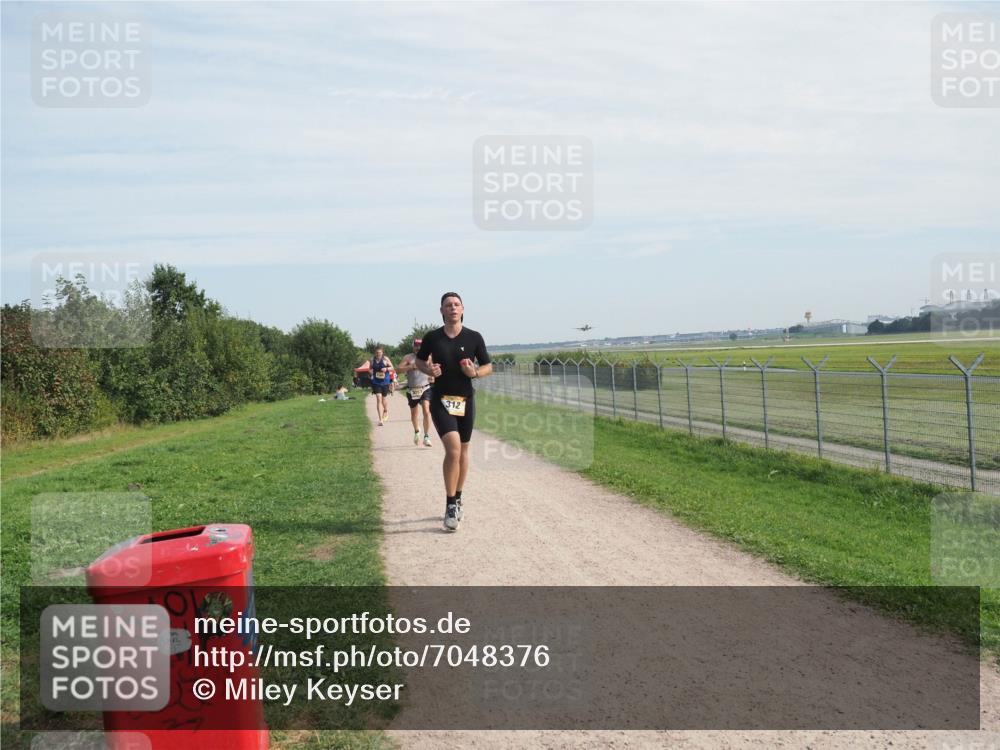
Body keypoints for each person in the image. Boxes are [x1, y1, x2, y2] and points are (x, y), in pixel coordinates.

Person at [416, 292, 492, 531]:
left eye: (456, 304)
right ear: (441, 311)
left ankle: (458, 496)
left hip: (466, 400)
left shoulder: (474, 337)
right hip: (441, 399)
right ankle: (450, 504)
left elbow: (488, 366)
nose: (452, 308)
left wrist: (475, 373)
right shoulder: (432, 338)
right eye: (448, 305)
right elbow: (419, 362)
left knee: (463, 452)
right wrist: (429, 369)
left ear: (462, 309)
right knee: (453, 448)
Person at [396, 338, 434, 446]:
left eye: (420, 346)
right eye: (416, 346)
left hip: (425, 388)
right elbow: (398, 369)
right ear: (413, 347)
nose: (418, 348)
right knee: (414, 414)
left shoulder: (428, 357)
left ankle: (426, 436)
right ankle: (417, 431)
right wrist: (411, 366)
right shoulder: (408, 357)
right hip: (412, 389)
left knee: (426, 411)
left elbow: (433, 370)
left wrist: (432, 377)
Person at [369, 346, 394, 425]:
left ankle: (385, 410)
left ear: (382, 352)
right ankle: (380, 419)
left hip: (385, 382)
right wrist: (371, 372)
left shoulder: (385, 359)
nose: (378, 354)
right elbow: (369, 369)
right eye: (376, 352)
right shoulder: (372, 360)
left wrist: (386, 369)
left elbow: (392, 368)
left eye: (379, 352)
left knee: (383, 400)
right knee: (378, 399)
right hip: (376, 382)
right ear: (375, 353)